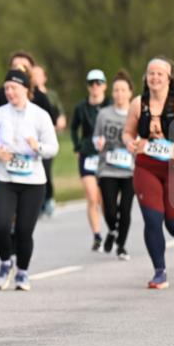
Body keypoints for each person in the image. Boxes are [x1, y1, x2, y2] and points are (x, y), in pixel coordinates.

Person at [122, 57, 174, 290]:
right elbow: (127, 133)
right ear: (146, 77)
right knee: (152, 220)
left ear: (169, 78)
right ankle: (159, 271)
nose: (155, 77)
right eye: (151, 73)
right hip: (146, 167)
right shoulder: (138, 104)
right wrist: (130, 143)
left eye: (160, 74)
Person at [0, 69, 59, 290]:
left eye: (13, 88)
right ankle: (6, 262)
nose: (9, 92)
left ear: (26, 89)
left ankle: (22, 272)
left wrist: (38, 147)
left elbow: (53, 148)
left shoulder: (40, 115)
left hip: (33, 181)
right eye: (6, 88)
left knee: (24, 230)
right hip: (4, 178)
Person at [93, 70, 136, 260]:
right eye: (116, 90)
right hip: (107, 169)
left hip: (130, 170)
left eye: (123, 90)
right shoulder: (104, 114)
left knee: (125, 209)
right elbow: (96, 136)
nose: (119, 94)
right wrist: (98, 142)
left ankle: (121, 246)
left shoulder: (135, 115)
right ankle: (112, 230)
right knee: (110, 209)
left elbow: (142, 137)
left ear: (130, 93)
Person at [71, 69, 112, 251]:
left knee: (105, 198)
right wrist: (77, 147)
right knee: (91, 196)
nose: (95, 86)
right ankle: (96, 235)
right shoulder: (81, 107)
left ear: (104, 85)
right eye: (91, 83)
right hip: (88, 154)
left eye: (98, 83)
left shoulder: (111, 104)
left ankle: (112, 229)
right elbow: (73, 128)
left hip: (107, 155)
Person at [30, 65, 65, 217]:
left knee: (46, 170)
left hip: (47, 139)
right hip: (31, 141)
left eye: (39, 75)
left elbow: (59, 114)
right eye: (34, 75)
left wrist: (58, 123)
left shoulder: (51, 95)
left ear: (44, 77)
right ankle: (36, 203)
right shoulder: (29, 94)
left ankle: (48, 198)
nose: (36, 78)